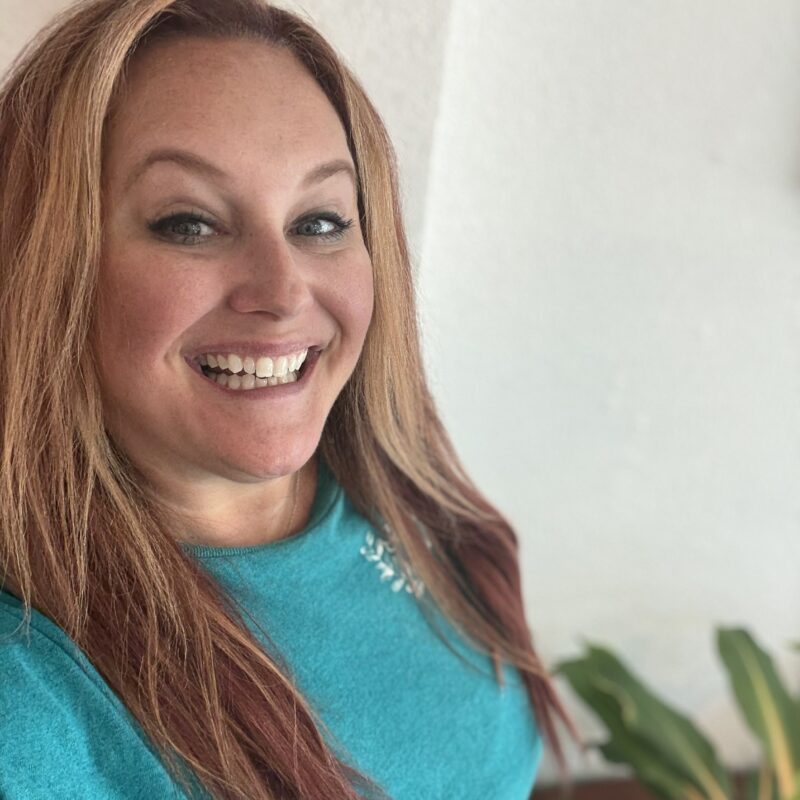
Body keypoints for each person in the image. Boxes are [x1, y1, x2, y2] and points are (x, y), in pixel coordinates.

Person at [0, 1, 582, 798]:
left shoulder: (398, 492)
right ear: (47, 268)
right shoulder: (26, 698)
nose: (281, 292)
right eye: (190, 224)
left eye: (317, 220)